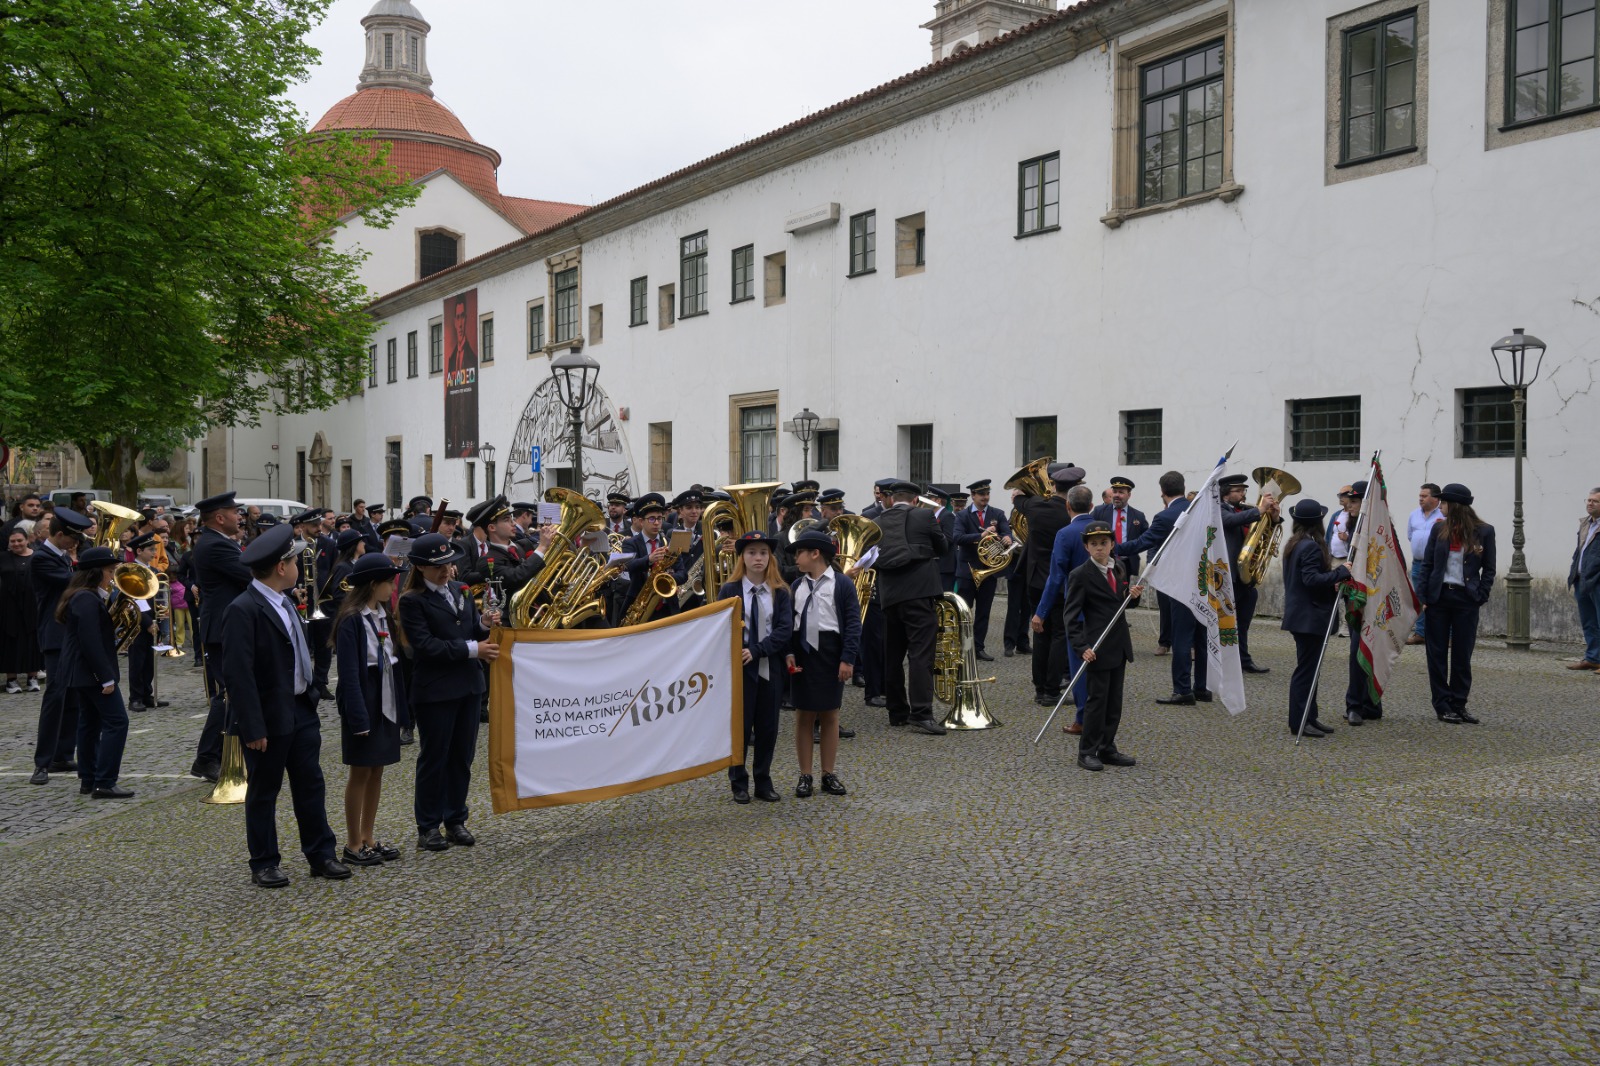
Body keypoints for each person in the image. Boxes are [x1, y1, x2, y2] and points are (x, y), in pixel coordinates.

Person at [222, 524, 348, 888]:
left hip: (300, 708)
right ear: (281, 567)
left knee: (311, 784)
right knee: (264, 790)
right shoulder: (243, 609)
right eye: (294, 560)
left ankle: (321, 853)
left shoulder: (286, 600)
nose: (298, 566)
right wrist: (253, 727)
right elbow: (238, 675)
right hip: (268, 715)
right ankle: (264, 861)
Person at [398, 532, 500, 851]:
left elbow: (468, 628)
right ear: (421, 568)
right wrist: (473, 648)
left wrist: (483, 624)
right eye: (437, 567)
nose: (446, 571)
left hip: (468, 686)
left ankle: (456, 818)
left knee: (462, 757)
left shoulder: (460, 590)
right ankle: (428, 825)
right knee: (434, 758)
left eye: (448, 564)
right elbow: (426, 646)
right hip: (436, 690)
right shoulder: (411, 600)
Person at [331, 553, 409, 867]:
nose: (393, 587)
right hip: (365, 695)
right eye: (389, 582)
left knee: (377, 769)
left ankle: (368, 836)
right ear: (373, 584)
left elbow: (394, 661)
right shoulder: (352, 620)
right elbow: (349, 673)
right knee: (360, 770)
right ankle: (352, 842)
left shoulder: (383, 615)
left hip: (385, 692)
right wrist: (357, 715)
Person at [1117, 470, 1212, 705]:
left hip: (1179, 583)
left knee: (1181, 637)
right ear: (1182, 487)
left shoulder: (1165, 516)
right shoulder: (1200, 511)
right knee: (1201, 637)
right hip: (1202, 582)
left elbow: (1143, 542)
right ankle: (1202, 687)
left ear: (1162, 492)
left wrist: (1114, 548)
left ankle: (1183, 690)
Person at [784, 530, 860, 798]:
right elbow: (790, 625)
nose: (796, 559)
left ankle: (828, 773)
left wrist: (847, 658)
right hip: (803, 653)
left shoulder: (841, 584)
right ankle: (805, 774)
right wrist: (789, 653)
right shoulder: (796, 586)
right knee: (803, 715)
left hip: (831, 653)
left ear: (815, 554)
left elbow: (852, 624)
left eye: (799, 553)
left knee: (830, 715)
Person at [872, 480, 949, 735]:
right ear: (915, 500)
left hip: (889, 597)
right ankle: (921, 713)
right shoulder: (925, 515)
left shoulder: (878, 521)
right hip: (919, 593)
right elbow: (943, 547)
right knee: (920, 654)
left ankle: (897, 712)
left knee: (892, 655)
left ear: (892, 500)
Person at [56, 546, 135, 798]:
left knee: (89, 723)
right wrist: (105, 677)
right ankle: (105, 781)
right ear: (96, 573)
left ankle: (89, 779)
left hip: (82, 672)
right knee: (117, 722)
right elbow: (90, 641)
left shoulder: (84, 597)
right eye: (110, 571)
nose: (112, 577)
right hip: (91, 673)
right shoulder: (86, 599)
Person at [1064, 521, 1143, 772]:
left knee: (1114, 701)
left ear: (1112, 545)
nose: (1100, 548)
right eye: (1094, 544)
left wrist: (1132, 598)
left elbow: (1120, 605)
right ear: (1087, 547)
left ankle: (1107, 747)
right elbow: (1071, 616)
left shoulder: (1118, 567)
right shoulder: (1079, 575)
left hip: (1118, 644)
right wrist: (1081, 646)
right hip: (1096, 647)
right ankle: (1087, 750)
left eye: (1104, 543)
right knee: (1096, 701)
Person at [721, 531, 792, 803]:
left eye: (763, 552)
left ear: (770, 557)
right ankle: (738, 782)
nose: (758, 558)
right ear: (743, 557)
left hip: (769, 665)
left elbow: (784, 629)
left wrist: (759, 649)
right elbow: (721, 626)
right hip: (741, 667)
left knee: (768, 726)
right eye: (752, 553)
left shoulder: (780, 591)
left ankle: (763, 779)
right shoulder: (731, 589)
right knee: (740, 726)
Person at [1417, 483, 1496, 725]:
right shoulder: (1438, 529)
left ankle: (1459, 703)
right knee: (1437, 654)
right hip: (1439, 598)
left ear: (1455, 505)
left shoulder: (1484, 531)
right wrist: (1423, 597)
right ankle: (1442, 704)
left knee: (1462, 653)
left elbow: (1489, 568)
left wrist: (1480, 595)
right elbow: (1427, 565)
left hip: (1466, 599)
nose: (1440, 506)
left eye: (1443, 502)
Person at [190, 491, 253, 783]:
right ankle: (207, 758)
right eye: (233, 512)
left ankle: (229, 753)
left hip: (227, 625)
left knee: (232, 693)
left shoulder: (219, 542)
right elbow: (250, 575)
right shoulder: (215, 545)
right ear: (219, 517)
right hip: (223, 628)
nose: (238, 517)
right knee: (227, 695)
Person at [29, 508, 91, 785]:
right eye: (72, 538)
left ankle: (63, 755)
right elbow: (70, 584)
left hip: (70, 633)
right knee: (55, 698)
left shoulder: (62, 557)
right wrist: (94, 567)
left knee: (73, 698)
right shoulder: (42, 559)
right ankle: (42, 762)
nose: (75, 544)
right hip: (55, 637)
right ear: (59, 534)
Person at [1280, 499, 1350, 738]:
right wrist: (1341, 572)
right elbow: (1311, 580)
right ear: (1318, 523)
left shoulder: (1296, 543)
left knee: (1311, 669)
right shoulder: (1309, 547)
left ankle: (1310, 716)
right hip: (1309, 617)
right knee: (1306, 671)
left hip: (1304, 615)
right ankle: (1300, 721)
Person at [1030, 484, 1096, 729]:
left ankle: (1081, 718)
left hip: (1075, 607)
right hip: (1100, 608)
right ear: (1091, 506)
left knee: (1078, 661)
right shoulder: (1103, 530)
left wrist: (1041, 611)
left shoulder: (1066, 534)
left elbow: (1055, 577)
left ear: (1068, 506)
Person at [1015, 468, 1079, 707]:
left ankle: (1040, 689)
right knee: (1059, 635)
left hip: (1034, 580)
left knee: (1039, 632)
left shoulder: (1033, 505)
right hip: (1060, 581)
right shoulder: (1069, 514)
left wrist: (1032, 491)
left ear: (1053, 486)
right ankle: (1052, 690)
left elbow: (1018, 498)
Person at [953, 479, 1013, 662]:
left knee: (984, 613)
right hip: (967, 571)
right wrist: (980, 536)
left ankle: (978, 648)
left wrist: (1007, 538)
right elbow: (957, 537)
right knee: (964, 612)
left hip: (988, 571)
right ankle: (962, 648)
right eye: (981, 495)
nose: (985, 497)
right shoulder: (963, 516)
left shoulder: (997, 513)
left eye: (987, 494)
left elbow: (1006, 532)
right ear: (973, 496)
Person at [1338, 480, 1383, 726]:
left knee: (1373, 648)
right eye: (1349, 501)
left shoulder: (1378, 525)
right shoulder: (1352, 524)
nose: (1349, 506)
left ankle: (1372, 702)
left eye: (1354, 502)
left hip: (1375, 594)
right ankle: (1354, 704)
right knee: (1357, 650)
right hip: (1356, 596)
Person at [1218, 474, 1272, 675]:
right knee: (1226, 622)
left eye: (1244, 490)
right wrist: (1260, 509)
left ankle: (1243, 659)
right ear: (1225, 493)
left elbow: (1266, 524)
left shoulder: (1245, 509)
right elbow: (1230, 521)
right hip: (1227, 576)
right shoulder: (1218, 509)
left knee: (1243, 622)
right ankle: (1223, 661)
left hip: (1245, 578)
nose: (1243, 494)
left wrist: (1273, 516)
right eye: (1238, 491)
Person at [857, 478, 895, 708]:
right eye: (891, 496)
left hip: (891, 586)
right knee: (872, 642)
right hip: (872, 585)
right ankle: (872, 691)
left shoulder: (899, 518)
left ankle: (884, 686)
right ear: (884, 497)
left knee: (887, 642)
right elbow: (862, 552)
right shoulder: (870, 517)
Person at [124, 532, 165, 712]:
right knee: (137, 659)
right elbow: (135, 599)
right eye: (150, 550)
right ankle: (135, 697)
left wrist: (161, 611)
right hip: (138, 621)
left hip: (153, 620)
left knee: (150, 660)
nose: (154, 554)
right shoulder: (131, 570)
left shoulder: (153, 571)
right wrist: (148, 622)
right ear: (139, 551)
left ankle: (147, 693)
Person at [1, 529, 43, 693]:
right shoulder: (3, 557)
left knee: (32, 641)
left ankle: (32, 677)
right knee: (10, 641)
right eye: (13, 541)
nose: (16, 544)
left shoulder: (37, 556)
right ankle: (11, 680)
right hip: (8, 607)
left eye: (19, 540)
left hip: (32, 606)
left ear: (27, 540)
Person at [1407, 484, 1446, 646]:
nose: (1420, 498)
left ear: (1436, 498)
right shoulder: (1414, 515)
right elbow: (1410, 536)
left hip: (1438, 564)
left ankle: (1446, 635)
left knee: (1441, 596)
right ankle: (1420, 633)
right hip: (1418, 564)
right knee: (1419, 597)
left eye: (1425, 496)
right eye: (1420, 495)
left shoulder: (1444, 515)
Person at [1567, 487, 1600, 671]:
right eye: (1588, 500)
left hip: (1597, 579)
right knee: (1589, 621)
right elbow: (1581, 550)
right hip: (1582, 579)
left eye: (1595, 501)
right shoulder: (1586, 523)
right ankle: (1593, 657)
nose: (1590, 503)